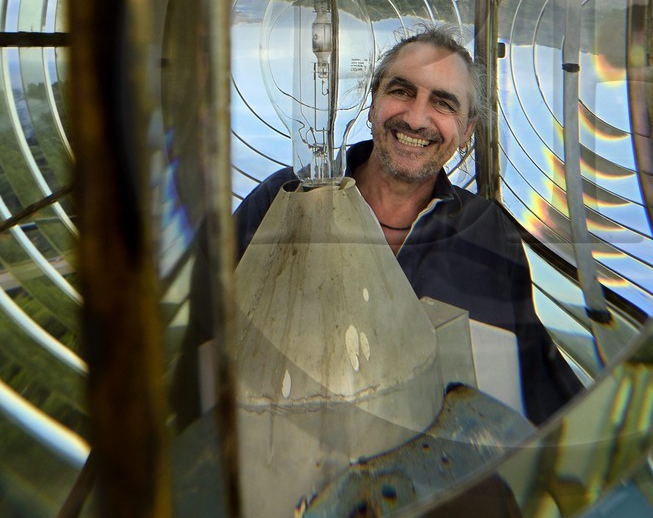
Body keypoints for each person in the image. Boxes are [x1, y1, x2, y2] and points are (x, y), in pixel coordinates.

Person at [234, 25, 582, 425]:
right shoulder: (287, 198)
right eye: (401, 91)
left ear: (466, 133)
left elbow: (537, 386)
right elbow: (201, 333)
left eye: (444, 104)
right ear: (372, 104)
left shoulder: (487, 233)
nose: (416, 118)